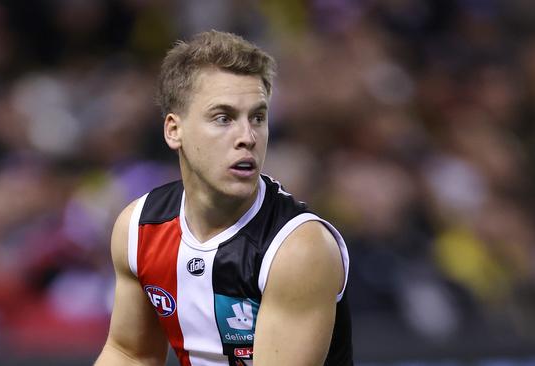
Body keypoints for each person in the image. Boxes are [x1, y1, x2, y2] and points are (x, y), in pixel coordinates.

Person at [95, 30, 352, 366]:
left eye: (257, 117)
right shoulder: (138, 227)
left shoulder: (298, 248)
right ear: (174, 130)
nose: (247, 137)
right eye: (224, 118)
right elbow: (131, 353)